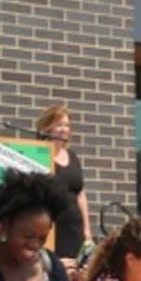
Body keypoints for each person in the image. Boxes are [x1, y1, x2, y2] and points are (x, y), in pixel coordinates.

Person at [37, 105, 92, 264]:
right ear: (47, 128)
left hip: (74, 226)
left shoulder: (72, 156)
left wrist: (87, 229)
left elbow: (80, 194)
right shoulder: (41, 155)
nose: (64, 129)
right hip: (54, 225)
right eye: (59, 125)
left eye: (67, 125)